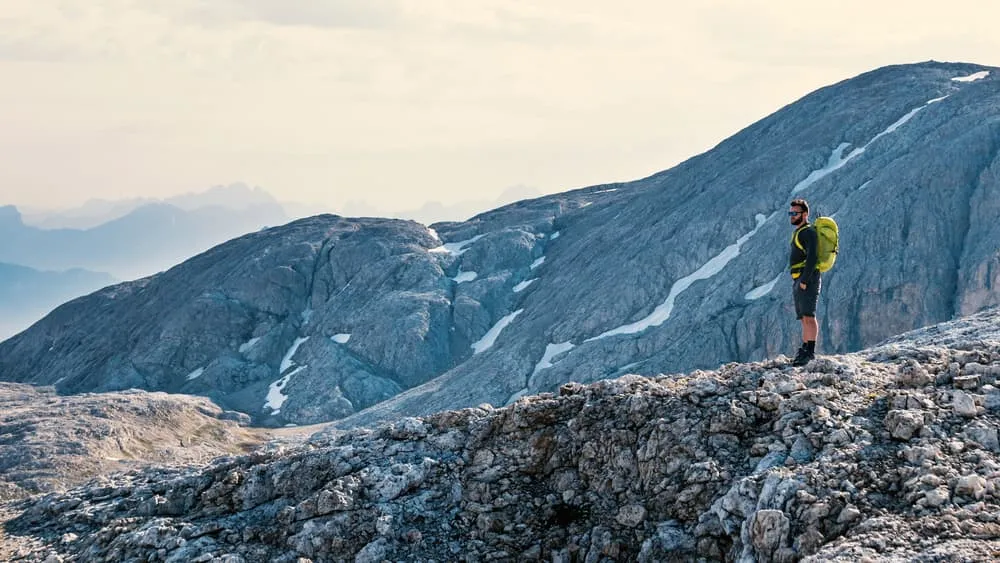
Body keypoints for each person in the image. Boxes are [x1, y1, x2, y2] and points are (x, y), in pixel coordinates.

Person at [788, 198, 820, 366]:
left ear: (805, 214)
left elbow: (812, 257)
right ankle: (805, 347)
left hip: (807, 277)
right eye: (791, 213)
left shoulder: (808, 232)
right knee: (803, 316)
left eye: (795, 213)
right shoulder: (800, 232)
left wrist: (805, 280)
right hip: (799, 278)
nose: (792, 216)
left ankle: (810, 351)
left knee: (809, 315)